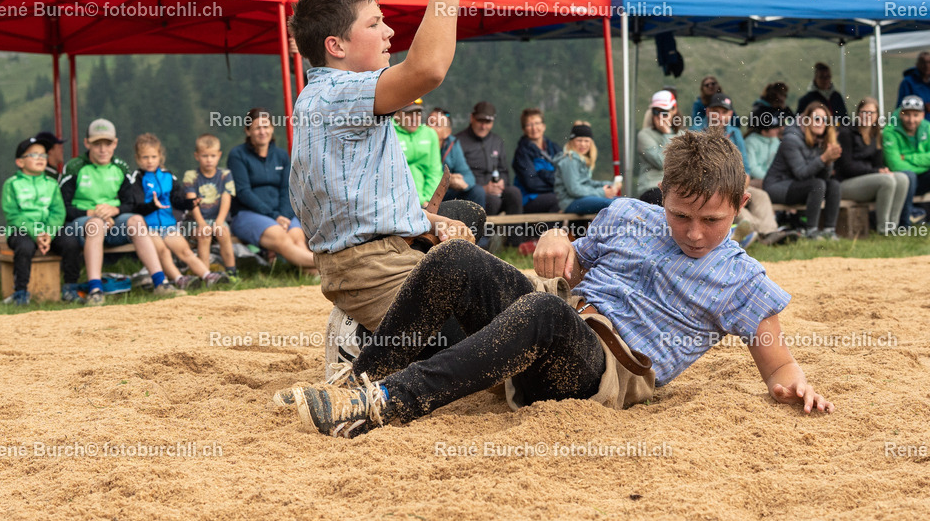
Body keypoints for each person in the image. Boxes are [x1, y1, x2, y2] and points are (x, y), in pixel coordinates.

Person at [274, 127, 834, 438]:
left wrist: (792, 384)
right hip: (553, 321)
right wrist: (560, 241)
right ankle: (360, 381)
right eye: (680, 215)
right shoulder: (628, 216)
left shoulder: (742, 279)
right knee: (455, 258)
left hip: (607, 372)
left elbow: (778, 362)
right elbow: (572, 270)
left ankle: (387, 403)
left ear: (739, 205)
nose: (692, 232)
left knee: (548, 315)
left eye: (711, 220)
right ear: (663, 193)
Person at [287, 0, 484, 335]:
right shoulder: (338, 93)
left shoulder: (325, 94)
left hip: (368, 260)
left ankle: (369, 330)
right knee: (511, 341)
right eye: (375, 23)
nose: (390, 32)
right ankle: (364, 340)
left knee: (464, 217)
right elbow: (427, 68)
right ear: (335, 47)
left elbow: (357, 206)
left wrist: (428, 223)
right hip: (375, 270)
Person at [60, 118, 184, 306]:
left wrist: (114, 211)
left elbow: (130, 204)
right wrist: (94, 214)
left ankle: (161, 283)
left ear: (115, 143)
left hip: (114, 223)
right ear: (87, 143)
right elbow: (63, 208)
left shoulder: (121, 167)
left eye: (107, 144)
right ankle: (95, 290)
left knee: (136, 220)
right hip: (82, 225)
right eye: (97, 144)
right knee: (95, 225)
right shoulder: (74, 167)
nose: (103, 149)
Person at [130, 133, 227, 289]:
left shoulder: (168, 176)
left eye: (153, 157)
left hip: (168, 225)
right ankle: (179, 279)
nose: (149, 161)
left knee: (185, 251)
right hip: (149, 227)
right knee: (164, 252)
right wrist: (153, 206)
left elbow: (177, 200)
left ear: (160, 156)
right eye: (145, 157)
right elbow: (135, 206)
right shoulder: (137, 178)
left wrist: (190, 203)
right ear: (137, 158)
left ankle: (207, 276)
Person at [227, 107, 316, 274]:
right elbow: (243, 192)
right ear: (248, 131)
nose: (262, 132)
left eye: (266, 127)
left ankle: (317, 278)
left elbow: (288, 189)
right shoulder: (237, 155)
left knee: (297, 239)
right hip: (247, 214)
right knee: (281, 238)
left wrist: (283, 215)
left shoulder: (281, 155)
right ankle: (327, 264)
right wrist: (274, 216)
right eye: (257, 127)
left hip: (282, 215)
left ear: (272, 128)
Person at [696, 93, 791, 246]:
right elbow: (697, 170)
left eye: (724, 112)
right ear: (708, 112)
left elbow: (745, 167)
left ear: (731, 114)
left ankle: (768, 233)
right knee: (739, 209)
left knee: (761, 196)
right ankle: (763, 234)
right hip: (710, 188)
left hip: (736, 185)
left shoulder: (736, 132)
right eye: (716, 111)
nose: (720, 116)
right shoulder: (696, 131)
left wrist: (741, 187)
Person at [1, 137, 82, 305]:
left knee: (71, 241)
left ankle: (70, 289)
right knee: (24, 246)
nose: (40, 158)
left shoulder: (52, 184)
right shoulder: (11, 184)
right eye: (33, 155)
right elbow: (13, 215)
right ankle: (21, 293)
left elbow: (58, 211)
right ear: (20, 162)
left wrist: (48, 233)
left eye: (43, 155)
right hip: (21, 229)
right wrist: (36, 233)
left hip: (49, 230)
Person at [764, 102, 842, 239]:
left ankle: (829, 230)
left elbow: (824, 176)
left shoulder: (819, 140)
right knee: (817, 185)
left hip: (799, 185)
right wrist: (824, 158)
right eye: (816, 119)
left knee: (833, 185)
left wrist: (829, 161)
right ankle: (811, 231)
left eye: (824, 120)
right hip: (777, 186)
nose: (820, 123)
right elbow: (801, 173)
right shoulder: (791, 139)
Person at [834, 98, 910, 236]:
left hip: (868, 180)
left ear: (876, 116)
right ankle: (883, 229)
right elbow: (846, 167)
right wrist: (876, 172)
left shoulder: (876, 135)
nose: (867, 116)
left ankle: (893, 226)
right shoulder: (846, 133)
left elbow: (877, 164)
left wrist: (883, 170)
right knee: (886, 181)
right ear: (858, 113)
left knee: (902, 178)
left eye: (871, 113)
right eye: (863, 112)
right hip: (845, 183)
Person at [882, 95, 930, 225]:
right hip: (903, 182)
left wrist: (908, 158)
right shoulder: (890, 130)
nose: (911, 120)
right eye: (907, 115)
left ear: (922, 115)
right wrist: (924, 164)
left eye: (915, 115)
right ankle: (904, 224)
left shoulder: (927, 127)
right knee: (908, 175)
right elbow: (895, 165)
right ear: (900, 114)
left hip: (921, 180)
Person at [182, 133, 238, 279]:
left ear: (219, 155)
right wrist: (201, 223)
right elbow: (192, 202)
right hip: (193, 221)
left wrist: (219, 221)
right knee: (204, 234)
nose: (209, 160)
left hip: (216, 219)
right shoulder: (191, 175)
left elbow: (226, 199)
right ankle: (206, 276)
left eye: (212, 156)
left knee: (223, 232)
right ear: (196, 156)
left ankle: (232, 272)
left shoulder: (225, 175)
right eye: (204, 156)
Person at [456, 101, 523, 218]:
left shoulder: (497, 141)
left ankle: (515, 236)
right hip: (472, 194)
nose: (483, 126)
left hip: (496, 191)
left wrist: (502, 183)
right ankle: (484, 235)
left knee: (514, 193)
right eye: (480, 121)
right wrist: (483, 188)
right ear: (472, 118)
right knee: (492, 201)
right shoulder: (458, 141)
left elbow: (504, 171)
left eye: (488, 122)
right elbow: (457, 176)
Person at [553, 122, 619, 214]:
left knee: (622, 201)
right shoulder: (569, 160)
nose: (583, 144)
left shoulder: (581, 160)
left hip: (581, 199)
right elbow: (574, 190)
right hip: (570, 202)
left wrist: (609, 184)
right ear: (572, 141)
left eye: (586, 141)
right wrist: (602, 192)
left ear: (591, 143)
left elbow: (587, 182)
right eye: (579, 140)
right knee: (612, 203)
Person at [427, 107, 484, 207]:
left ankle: (476, 223)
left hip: (444, 195)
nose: (431, 128)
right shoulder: (418, 144)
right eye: (429, 123)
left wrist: (462, 182)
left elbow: (468, 175)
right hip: (425, 193)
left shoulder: (452, 144)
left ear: (447, 132)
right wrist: (447, 180)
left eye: (437, 125)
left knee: (477, 191)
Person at [512, 108, 561, 214]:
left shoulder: (554, 148)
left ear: (544, 126)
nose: (534, 128)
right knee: (558, 201)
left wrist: (543, 175)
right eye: (529, 125)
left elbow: (565, 175)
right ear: (524, 129)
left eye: (537, 123)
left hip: (554, 193)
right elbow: (532, 184)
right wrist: (558, 186)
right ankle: (550, 231)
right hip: (529, 198)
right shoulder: (522, 153)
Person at [393, 99, 442, 206]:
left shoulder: (430, 134)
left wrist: (429, 200)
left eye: (418, 113)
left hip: (426, 202)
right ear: (396, 114)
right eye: (408, 114)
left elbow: (434, 171)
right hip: (395, 200)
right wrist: (419, 201)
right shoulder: (387, 132)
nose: (414, 119)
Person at [636, 89, 679, 205]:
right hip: (652, 187)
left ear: (674, 110)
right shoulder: (644, 135)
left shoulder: (682, 135)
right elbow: (662, 162)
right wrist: (666, 134)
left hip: (677, 187)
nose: (660, 116)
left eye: (664, 112)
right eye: (656, 112)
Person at [743, 112, 783, 189]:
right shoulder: (750, 142)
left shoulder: (775, 140)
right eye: (774, 128)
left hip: (769, 178)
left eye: (777, 126)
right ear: (764, 131)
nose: (778, 130)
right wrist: (769, 177)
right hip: (753, 180)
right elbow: (752, 168)